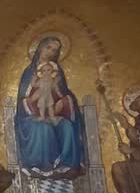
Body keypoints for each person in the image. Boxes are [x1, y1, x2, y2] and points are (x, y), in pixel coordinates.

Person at [14, 36, 86, 178]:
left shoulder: (57, 72)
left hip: (54, 111)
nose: (51, 52)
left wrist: (63, 101)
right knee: (43, 127)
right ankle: (41, 167)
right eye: (49, 48)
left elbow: (62, 93)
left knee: (66, 125)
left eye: (55, 50)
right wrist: (38, 112)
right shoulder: (30, 72)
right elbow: (24, 99)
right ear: (40, 47)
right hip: (31, 115)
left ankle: (67, 166)